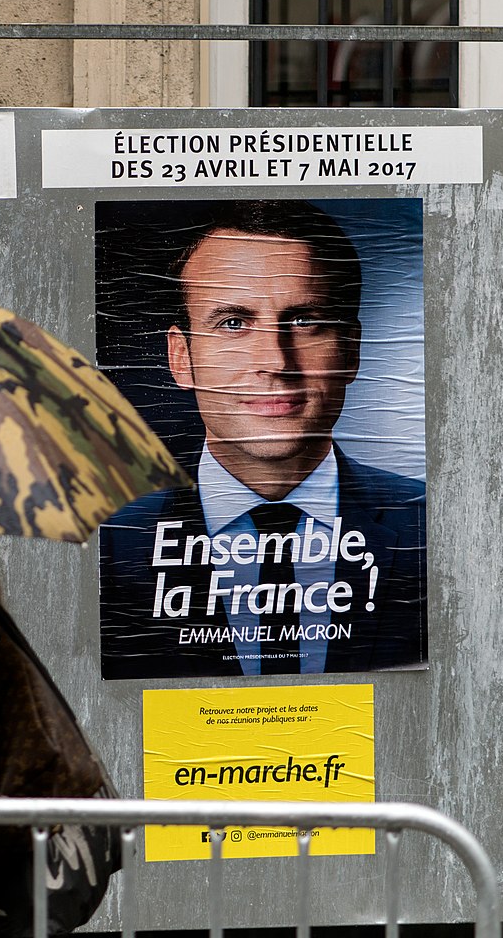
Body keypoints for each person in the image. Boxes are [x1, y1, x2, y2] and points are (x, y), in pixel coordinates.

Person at [98, 200, 426, 679]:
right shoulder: (106, 543)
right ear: (181, 358)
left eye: (304, 320)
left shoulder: (434, 528)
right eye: (233, 323)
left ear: (350, 350)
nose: (275, 361)